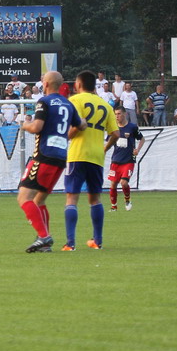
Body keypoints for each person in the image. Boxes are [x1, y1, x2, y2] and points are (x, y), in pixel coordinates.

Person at [17, 71, 84, 253]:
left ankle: (44, 236)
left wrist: (24, 125)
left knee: (24, 197)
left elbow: (37, 127)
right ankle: (44, 243)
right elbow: (81, 125)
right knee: (39, 200)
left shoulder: (44, 102)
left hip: (44, 155)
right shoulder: (68, 104)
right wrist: (72, 131)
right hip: (61, 157)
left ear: (45, 84)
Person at [64, 71, 120, 251]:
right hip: (97, 156)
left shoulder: (75, 101)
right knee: (95, 198)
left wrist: (65, 137)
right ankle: (98, 241)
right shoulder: (105, 105)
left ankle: (70, 243)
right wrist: (104, 148)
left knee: (72, 198)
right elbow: (116, 134)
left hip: (77, 154)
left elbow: (76, 127)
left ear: (79, 84)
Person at [107, 106, 145, 212]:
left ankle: (127, 200)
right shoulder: (113, 128)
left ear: (124, 114)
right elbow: (109, 141)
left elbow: (142, 139)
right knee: (113, 184)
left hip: (128, 160)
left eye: (119, 114)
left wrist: (137, 149)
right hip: (116, 160)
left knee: (123, 182)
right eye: (115, 114)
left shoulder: (132, 127)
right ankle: (114, 206)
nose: (117, 116)